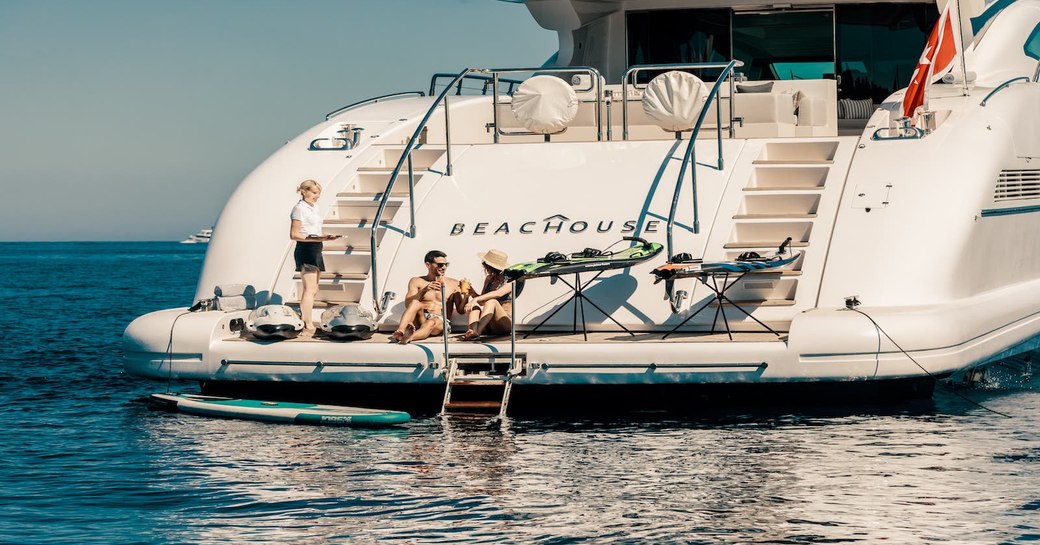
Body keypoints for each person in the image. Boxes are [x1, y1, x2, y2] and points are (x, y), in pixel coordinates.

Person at [289, 179, 339, 331]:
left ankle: (306, 319)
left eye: (319, 193)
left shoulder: (314, 207)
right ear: (304, 191)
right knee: (309, 289)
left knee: (314, 289)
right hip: (306, 249)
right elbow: (294, 234)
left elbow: (314, 230)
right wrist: (318, 238)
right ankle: (307, 323)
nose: (317, 196)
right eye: (315, 193)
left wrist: (325, 237)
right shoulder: (299, 209)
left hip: (316, 247)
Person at [392, 250, 466, 344]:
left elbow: (461, 310)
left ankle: (409, 337)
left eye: (446, 264)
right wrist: (424, 290)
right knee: (415, 302)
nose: (443, 267)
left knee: (430, 322)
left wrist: (467, 296)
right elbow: (408, 304)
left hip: (439, 321)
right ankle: (400, 332)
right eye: (440, 265)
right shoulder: (417, 281)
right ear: (428, 265)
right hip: (421, 317)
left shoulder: (454, 284)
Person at [461, 249, 517, 341]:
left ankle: (477, 331)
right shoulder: (489, 279)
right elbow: (482, 302)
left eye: (485, 264)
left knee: (492, 301)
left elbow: (499, 293)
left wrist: (475, 299)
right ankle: (473, 331)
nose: (484, 266)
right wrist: (473, 293)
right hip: (487, 324)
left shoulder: (510, 280)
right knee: (475, 307)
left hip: (504, 323)